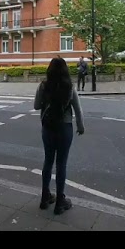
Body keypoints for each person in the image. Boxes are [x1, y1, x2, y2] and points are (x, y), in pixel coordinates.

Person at [34, 57, 85, 215]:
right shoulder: (69, 87)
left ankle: (45, 197)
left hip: (48, 128)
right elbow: (78, 110)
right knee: (61, 164)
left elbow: (36, 106)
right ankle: (60, 202)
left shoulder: (43, 85)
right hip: (65, 128)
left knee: (48, 161)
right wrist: (81, 127)